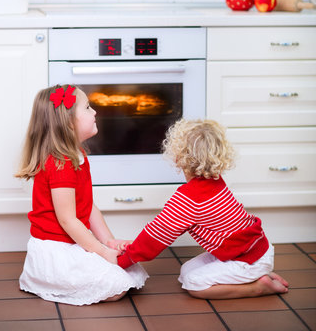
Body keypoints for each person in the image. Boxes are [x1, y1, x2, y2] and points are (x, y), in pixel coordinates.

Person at [117, 119, 289, 299]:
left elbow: (155, 237)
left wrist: (122, 260)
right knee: (186, 271)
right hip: (254, 250)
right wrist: (133, 247)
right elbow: (157, 232)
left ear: (178, 158)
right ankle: (259, 274)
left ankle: (257, 287)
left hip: (246, 259)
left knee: (194, 284)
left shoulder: (190, 198)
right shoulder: (214, 180)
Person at [15, 84, 148, 305]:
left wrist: (108, 242)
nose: (94, 111)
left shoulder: (77, 155)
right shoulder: (61, 164)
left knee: (128, 271)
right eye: (87, 108)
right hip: (55, 250)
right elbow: (67, 219)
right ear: (68, 123)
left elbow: (88, 207)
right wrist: (101, 252)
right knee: (115, 286)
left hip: (72, 242)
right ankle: (43, 279)